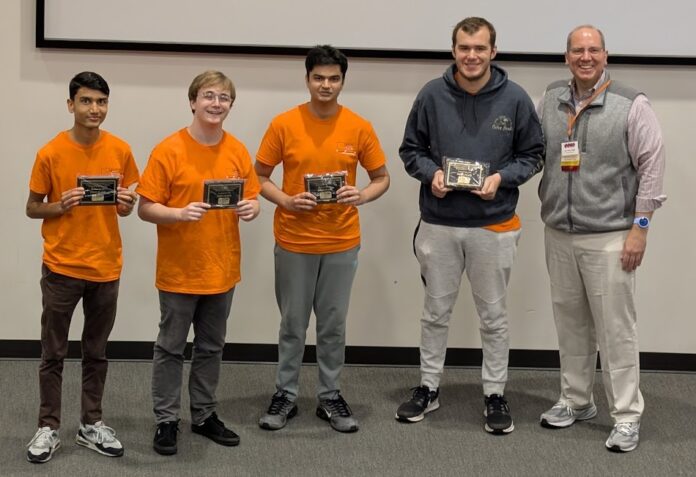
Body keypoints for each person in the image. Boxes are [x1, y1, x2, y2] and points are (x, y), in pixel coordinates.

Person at [395, 17, 544, 434]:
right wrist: (431, 175)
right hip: (439, 223)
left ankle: (495, 393)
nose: (472, 56)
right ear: (453, 51)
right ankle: (428, 386)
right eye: (464, 48)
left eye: (479, 48)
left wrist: (501, 179)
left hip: (493, 225)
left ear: (493, 51)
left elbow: (533, 154)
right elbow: (411, 149)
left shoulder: (514, 98)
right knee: (435, 313)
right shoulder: (431, 94)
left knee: (493, 316)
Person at [537, 25, 666, 453]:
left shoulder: (632, 104)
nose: (585, 57)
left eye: (593, 50)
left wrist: (639, 230)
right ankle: (576, 400)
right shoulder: (552, 98)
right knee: (570, 324)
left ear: (606, 55)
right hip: (558, 232)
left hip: (612, 237)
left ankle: (626, 415)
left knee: (616, 331)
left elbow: (652, 170)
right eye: (578, 50)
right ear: (566, 57)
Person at [255, 45, 389, 433]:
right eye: (319, 77)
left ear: (343, 81)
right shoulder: (284, 124)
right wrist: (285, 200)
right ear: (307, 79)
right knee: (292, 324)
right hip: (295, 240)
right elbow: (259, 176)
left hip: (342, 241)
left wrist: (361, 195)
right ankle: (286, 394)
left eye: (333, 78)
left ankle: (330, 395)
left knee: (333, 324)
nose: (325, 85)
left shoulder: (359, 126)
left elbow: (382, 178)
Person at [137, 70, 260, 455]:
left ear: (230, 106)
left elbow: (252, 198)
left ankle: (204, 415)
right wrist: (176, 214)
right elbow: (144, 208)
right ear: (192, 101)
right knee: (171, 348)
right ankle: (166, 420)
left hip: (222, 270)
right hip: (178, 271)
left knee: (211, 347)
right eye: (208, 96)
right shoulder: (168, 150)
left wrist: (252, 208)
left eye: (224, 98)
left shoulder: (237, 150)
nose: (216, 104)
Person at [25, 71, 139, 463]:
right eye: (87, 101)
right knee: (52, 353)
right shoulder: (51, 152)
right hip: (61, 267)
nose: (95, 109)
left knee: (97, 351)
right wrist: (61, 205)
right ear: (71, 104)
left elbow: (127, 204)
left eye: (102, 102)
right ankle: (48, 428)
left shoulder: (121, 150)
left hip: (106, 267)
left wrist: (126, 204)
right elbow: (31, 207)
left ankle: (92, 424)